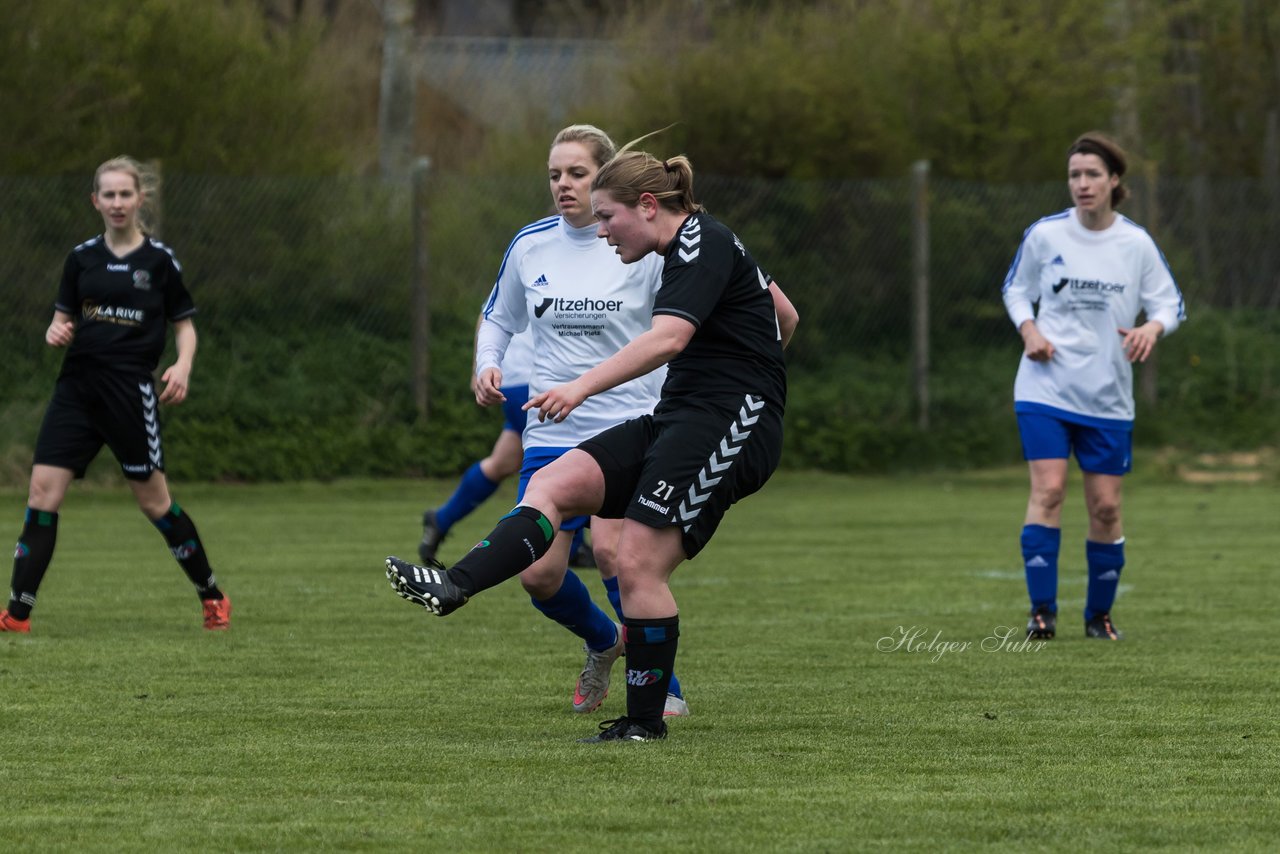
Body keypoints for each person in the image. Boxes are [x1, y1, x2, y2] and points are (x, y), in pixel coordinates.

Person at [385, 134, 799, 743]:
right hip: (679, 416)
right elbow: (784, 316)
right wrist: (752, 357)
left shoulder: (699, 241)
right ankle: (454, 584)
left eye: (608, 217)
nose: (601, 232)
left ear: (649, 204)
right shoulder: (692, 244)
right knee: (554, 484)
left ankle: (645, 722)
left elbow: (667, 341)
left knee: (632, 560)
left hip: (727, 422)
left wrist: (748, 390)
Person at [410, 124, 688, 716]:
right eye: (555, 175)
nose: (563, 185)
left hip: (629, 419)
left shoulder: (640, 247)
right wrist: (486, 364)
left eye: (577, 174)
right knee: (537, 576)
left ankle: (662, 684)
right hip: (551, 429)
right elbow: (499, 317)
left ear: (606, 177)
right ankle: (604, 641)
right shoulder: (531, 244)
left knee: (615, 554)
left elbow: (679, 326)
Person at [0, 156, 230, 634]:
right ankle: (17, 616)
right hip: (77, 388)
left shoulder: (159, 262)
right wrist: (54, 332)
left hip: (130, 392)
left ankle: (211, 594)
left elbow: (184, 327)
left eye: (126, 194)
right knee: (42, 493)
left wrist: (182, 365)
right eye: (109, 194)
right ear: (96, 201)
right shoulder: (80, 258)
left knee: (155, 505)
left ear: (139, 198)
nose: (118, 202)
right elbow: (62, 319)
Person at [1001, 132, 1185, 642]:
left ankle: (1098, 617)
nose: (1082, 184)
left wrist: (1152, 327)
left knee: (1106, 507)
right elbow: (1015, 290)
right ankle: (1042, 613)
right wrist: (1029, 329)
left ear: (1114, 181)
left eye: (1092, 175)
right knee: (1050, 490)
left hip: (1106, 394)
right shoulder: (1045, 235)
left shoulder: (1136, 243)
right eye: (1074, 175)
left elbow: (1171, 304)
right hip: (1044, 387)